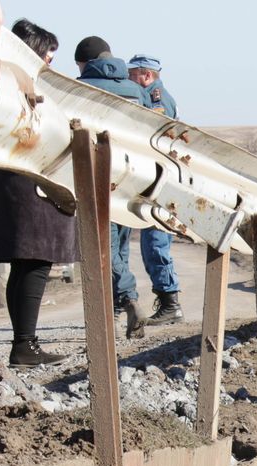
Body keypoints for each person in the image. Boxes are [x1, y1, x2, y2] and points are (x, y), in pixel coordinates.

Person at [0, 18, 74, 368]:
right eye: (47, 56)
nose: (49, 63)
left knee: (27, 261)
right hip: (26, 177)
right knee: (34, 257)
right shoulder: (14, 83)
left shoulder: (1, 78)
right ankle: (25, 345)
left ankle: (25, 343)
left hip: (14, 174)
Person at [75, 37, 150, 323]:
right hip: (130, 174)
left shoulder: (81, 88)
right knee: (119, 242)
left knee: (101, 243)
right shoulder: (134, 89)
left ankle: (127, 297)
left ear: (85, 62)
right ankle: (118, 302)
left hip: (97, 174)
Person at [128, 55, 183, 325]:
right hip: (158, 181)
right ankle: (169, 302)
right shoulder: (153, 95)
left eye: (132, 74)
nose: (128, 80)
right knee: (152, 245)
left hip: (160, 183)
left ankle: (171, 301)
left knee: (156, 244)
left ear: (146, 76)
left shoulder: (157, 100)